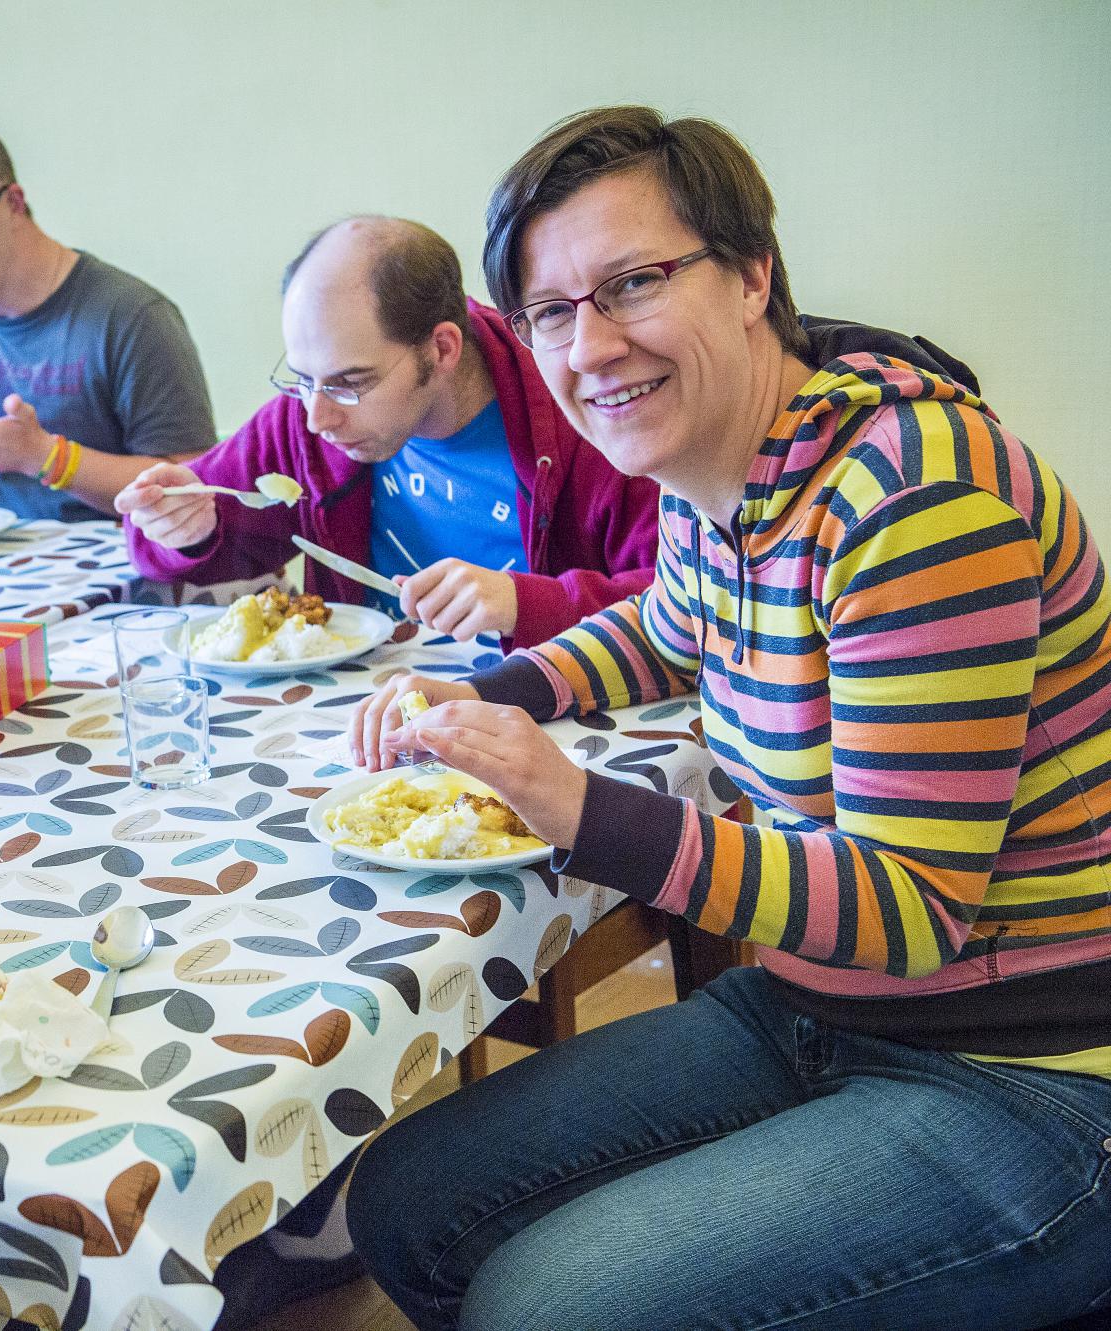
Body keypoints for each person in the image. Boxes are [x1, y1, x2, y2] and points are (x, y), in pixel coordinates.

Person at [345, 108, 1111, 1330]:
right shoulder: (725, 466)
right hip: (821, 1005)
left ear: (751, 274)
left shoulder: (913, 500)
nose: (588, 345)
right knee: (403, 1199)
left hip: (1033, 1070)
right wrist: (490, 694)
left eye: (632, 283)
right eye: (548, 311)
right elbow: (666, 621)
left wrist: (577, 805)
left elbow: (907, 908)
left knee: (551, 1305)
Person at [117, 217, 660, 647]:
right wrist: (184, 527)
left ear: (442, 348)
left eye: (351, 384)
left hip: (541, 718)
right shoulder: (311, 417)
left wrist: (526, 604)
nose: (317, 418)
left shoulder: (582, 408)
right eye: (302, 381)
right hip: (363, 724)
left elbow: (684, 604)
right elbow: (153, 543)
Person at [0, 117, 216, 522]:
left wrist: (45, 457)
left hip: (124, 577)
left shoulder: (132, 318)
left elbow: (193, 489)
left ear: (13, 204)